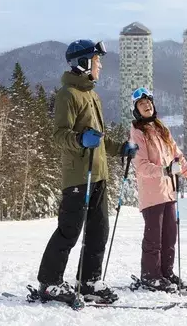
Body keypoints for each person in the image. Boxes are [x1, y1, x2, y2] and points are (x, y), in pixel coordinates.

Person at [37, 40, 138, 305]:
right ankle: (49, 282)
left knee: (99, 230)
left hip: (99, 173)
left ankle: (89, 281)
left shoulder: (92, 95)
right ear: (83, 63)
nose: (100, 65)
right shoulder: (68, 94)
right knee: (69, 230)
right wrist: (81, 140)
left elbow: (99, 140)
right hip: (78, 176)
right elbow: (59, 135)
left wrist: (121, 149)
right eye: (96, 60)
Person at [129, 87, 187, 292]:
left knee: (169, 237)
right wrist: (164, 170)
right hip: (152, 194)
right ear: (136, 110)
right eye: (141, 104)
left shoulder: (162, 130)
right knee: (154, 237)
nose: (146, 105)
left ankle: (166, 273)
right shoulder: (138, 133)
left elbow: (178, 158)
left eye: (148, 102)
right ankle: (150, 276)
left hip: (168, 192)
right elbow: (142, 166)